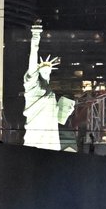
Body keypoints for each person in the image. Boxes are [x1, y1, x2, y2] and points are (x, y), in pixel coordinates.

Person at [23, 22, 75, 151]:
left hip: (50, 135)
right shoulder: (33, 86)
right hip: (35, 131)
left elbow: (58, 117)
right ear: (39, 72)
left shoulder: (49, 92)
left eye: (49, 71)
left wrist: (66, 109)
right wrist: (35, 38)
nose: (47, 73)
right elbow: (32, 62)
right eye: (44, 71)